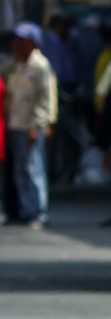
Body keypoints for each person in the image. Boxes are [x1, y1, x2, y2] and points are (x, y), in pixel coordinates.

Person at [4, 22, 57, 228]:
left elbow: (45, 99)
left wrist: (38, 126)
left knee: (33, 170)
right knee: (20, 171)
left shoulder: (40, 66)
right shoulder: (14, 64)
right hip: (14, 125)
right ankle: (25, 210)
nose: (17, 44)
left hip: (30, 127)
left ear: (33, 43)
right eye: (16, 40)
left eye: (22, 41)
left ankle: (38, 212)